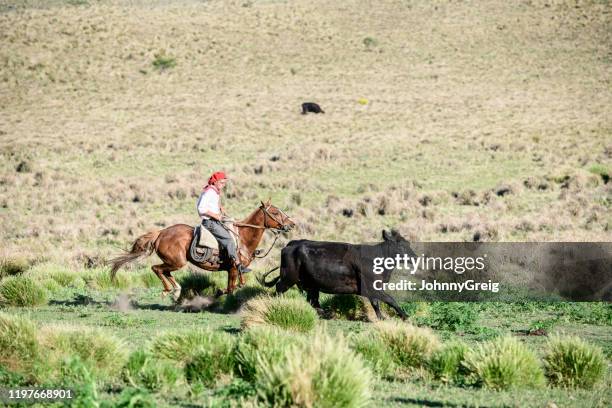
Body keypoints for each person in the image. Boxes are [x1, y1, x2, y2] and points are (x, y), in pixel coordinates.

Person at [196, 171, 251, 273]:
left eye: (224, 183)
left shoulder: (214, 191)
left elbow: (212, 204)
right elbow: (201, 209)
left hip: (215, 221)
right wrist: (216, 215)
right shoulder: (210, 192)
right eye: (221, 182)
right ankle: (238, 264)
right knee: (228, 239)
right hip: (210, 223)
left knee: (234, 229)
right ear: (215, 182)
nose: (223, 185)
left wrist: (220, 208)